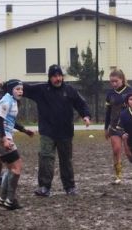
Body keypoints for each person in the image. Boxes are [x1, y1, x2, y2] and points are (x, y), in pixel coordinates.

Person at [24, 64, 91, 197]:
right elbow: (22, 88)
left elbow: (81, 103)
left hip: (65, 132)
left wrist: (86, 116)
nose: (58, 78)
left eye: (59, 75)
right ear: (50, 77)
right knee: (45, 158)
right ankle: (44, 187)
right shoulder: (41, 89)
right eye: (54, 76)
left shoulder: (70, 90)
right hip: (47, 132)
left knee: (66, 160)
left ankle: (70, 187)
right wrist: (4, 85)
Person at [0, 79, 34, 210]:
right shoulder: (6, 101)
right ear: (11, 90)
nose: (20, 91)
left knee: (11, 168)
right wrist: (4, 139)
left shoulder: (11, 100)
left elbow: (10, 121)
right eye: (17, 89)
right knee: (17, 167)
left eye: (21, 89)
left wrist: (24, 130)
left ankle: (3, 199)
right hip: (0, 137)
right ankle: (11, 199)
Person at [104, 69, 132, 184]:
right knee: (116, 150)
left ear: (121, 79)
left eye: (115, 81)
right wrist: (106, 127)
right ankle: (118, 176)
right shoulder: (110, 94)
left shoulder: (130, 91)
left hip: (127, 127)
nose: (113, 84)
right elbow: (108, 112)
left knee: (129, 153)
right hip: (114, 127)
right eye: (111, 82)